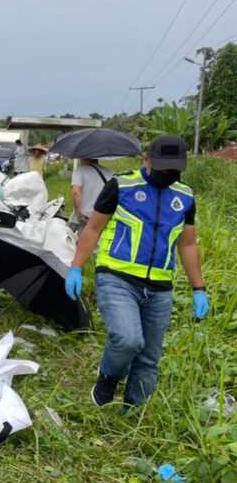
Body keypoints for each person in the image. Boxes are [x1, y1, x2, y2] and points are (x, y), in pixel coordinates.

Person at [64, 134, 208, 409]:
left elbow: (187, 244)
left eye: (175, 169)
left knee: (149, 356)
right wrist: (76, 267)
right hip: (116, 276)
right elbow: (93, 227)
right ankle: (108, 376)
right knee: (128, 339)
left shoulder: (185, 195)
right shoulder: (122, 185)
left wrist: (198, 289)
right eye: (163, 167)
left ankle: (134, 411)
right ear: (146, 160)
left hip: (160, 286)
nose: (169, 174)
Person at [70, 158, 113, 232]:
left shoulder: (80, 171)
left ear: (85, 158)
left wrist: (79, 215)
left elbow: (75, 193)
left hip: (81, 221)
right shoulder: (110, 173)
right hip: (101, 220)